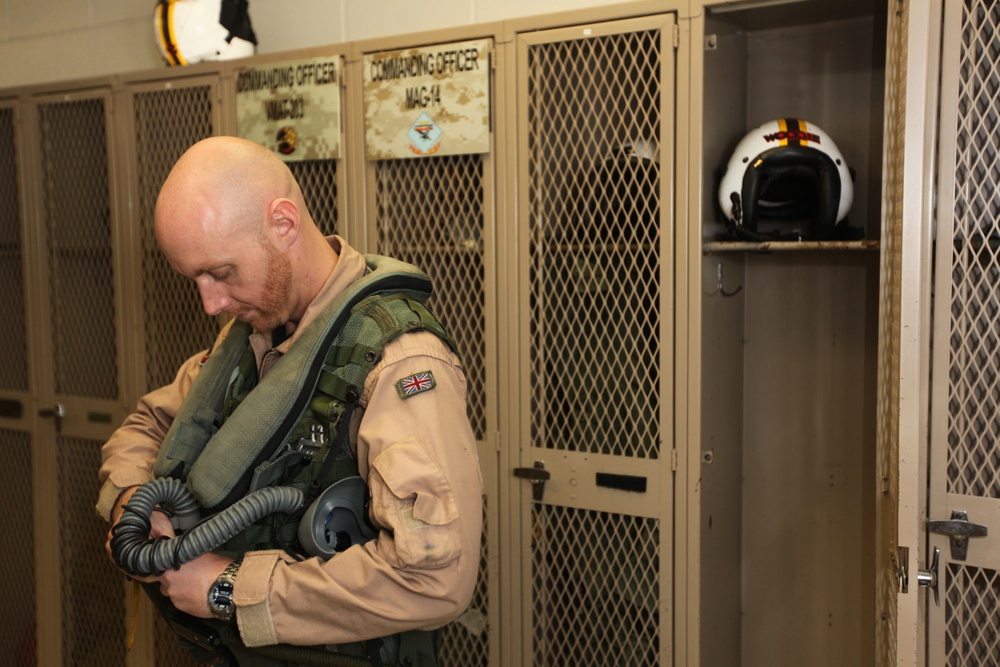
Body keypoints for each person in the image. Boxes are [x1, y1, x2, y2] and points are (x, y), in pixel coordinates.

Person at [97, 136, 483, 666]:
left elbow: (436, 579)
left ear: (283, 223)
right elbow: (148, 423)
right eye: (196, 280)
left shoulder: (399, 363)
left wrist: (230, 587)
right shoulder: (253, 337)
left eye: (221, 273)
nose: (211, 304)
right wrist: (134, 505)